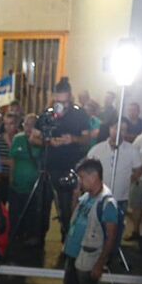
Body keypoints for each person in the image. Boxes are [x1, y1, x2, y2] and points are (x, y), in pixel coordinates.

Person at [40, 159, 121, 284]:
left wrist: (101, 263)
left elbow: (111, 237)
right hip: (74, 252)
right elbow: (75, 218)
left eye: (83, 178)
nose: (80, 181)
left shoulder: (107, 203)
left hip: (89, 256)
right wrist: (76, 195)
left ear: (94, 176)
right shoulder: (87, 196)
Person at [44, 78, 91, 243]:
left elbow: (87, 139)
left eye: (64, 101)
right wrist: (49, 141)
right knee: (44, 204)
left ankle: (68, 236)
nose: (61, 105)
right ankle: (39, 236)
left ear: (70, 97)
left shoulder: (80, 114)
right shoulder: (48, 113)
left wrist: (73, 139)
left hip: (72, 165)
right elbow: (34, 137)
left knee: (67, 205)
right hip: (50, 165)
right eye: (58, 101)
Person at [86, 117, 142, 219]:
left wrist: (126, 181)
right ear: (110, 128)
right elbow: (86, 171)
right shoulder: (96, 150)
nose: (119, 132)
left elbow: (139, 170)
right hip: (98, 196)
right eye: (116, 128)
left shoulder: (132, 150)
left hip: (120, 198)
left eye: (123, 129)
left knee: (117, 228)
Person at [8, 119, 45, 245]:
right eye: (26, 124)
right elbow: (12, 159)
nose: (28, 127)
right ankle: (16, 234)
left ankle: (31, 235)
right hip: (18, 182)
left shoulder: (41, 140)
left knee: (32, 210)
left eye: (32, 125)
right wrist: (11, 177)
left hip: (34, 184)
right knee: (15, 210)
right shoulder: (18, 139)